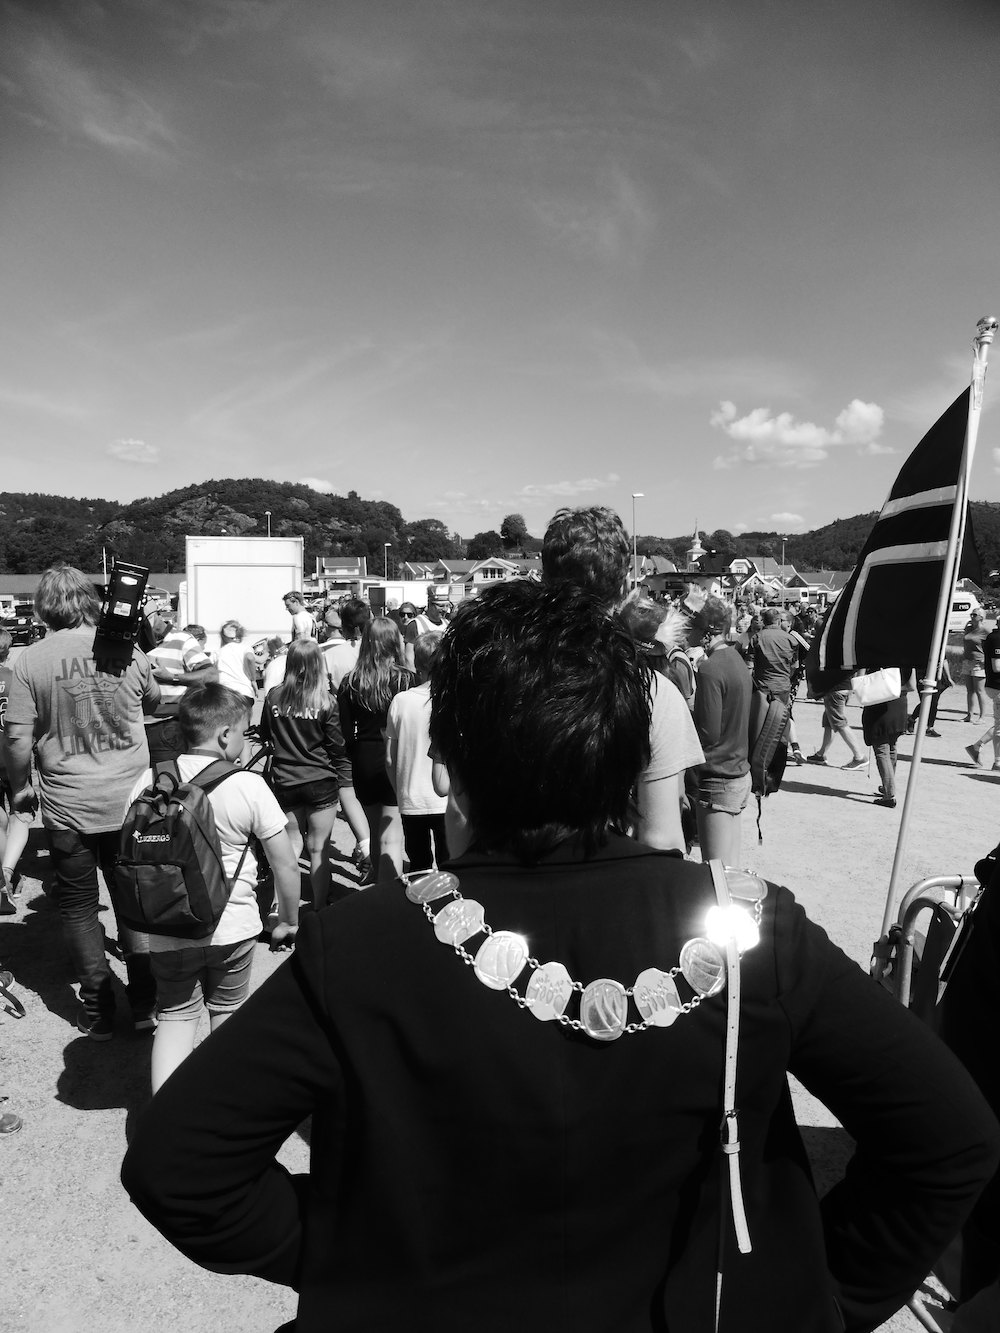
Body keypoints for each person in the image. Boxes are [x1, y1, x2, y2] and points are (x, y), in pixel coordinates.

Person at [121, 577, 1000, 1333]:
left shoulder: (364, 939)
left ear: (450, 763)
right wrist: (812, 1297)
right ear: (633, 762)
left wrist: (353, 1254)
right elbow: (948, 1136)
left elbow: (180, 1163)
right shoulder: (754, 931)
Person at [2, 566, 160, 1039]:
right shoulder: (128, 650)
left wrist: (18, 786)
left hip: (68, 801)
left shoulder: (29, 661)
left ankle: (97, 1010)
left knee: (78, 908)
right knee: (133, 903)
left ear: (46, 607)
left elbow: (16, 738)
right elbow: (151, 702)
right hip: (129, 798)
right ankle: (146, 1002)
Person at [127, 684, 300, 1092]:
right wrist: (288, 919)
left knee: (175, 1017)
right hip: (231, 925)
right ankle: (224, 1113)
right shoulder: (247, 785)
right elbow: (285, 862)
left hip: (169, 926)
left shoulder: (149, 781)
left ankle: (164, 1121)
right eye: (243, 731)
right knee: (228, 1011)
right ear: (225, 735)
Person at [541, 505, 703, 852]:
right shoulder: (653, 692)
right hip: (611, 877)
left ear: (544, 576)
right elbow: (662, 840)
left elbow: (461, 815)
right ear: (625, 586)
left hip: (509, 889)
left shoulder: (499, 675)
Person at [260, 640, 350, 911]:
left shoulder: (274, 697)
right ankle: (320, 906)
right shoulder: (325, 701)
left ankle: (280, 905)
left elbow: (265, 734)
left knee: (289, 846)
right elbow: (337, 745)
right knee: (318, 848)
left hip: (286, 779)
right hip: (320, 780)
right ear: (316, 665)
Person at [337, 618, 412, 884]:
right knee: (392, 831)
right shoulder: (405, 679)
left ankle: (380, 885)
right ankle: (390, 896)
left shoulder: (350, 681)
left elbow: (346, 730)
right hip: (396, 755)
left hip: (364, 757)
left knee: (373, 826)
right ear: (394, 641)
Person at [690, 595, 752, 865]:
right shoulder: (736, 659)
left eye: (693, 626)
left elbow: (708, 733)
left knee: (714, 873)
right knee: (730, 871)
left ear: (706, 633)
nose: (688, 631)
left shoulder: (710, 668)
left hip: (718, 776)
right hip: (738, 770)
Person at [385, 631, 448, 874]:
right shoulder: (450, 700)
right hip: (444, 800)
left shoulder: (401, 701)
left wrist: (399, 791)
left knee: (419, 867)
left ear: (417, 663)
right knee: (449, 865)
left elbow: (390, 757)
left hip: (411, 798)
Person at [146, 616, 217, 766]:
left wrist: (172, 677)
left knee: (166, 782)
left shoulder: (181, 639)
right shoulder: (128, 639)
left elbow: (211, 675)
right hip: (129, 727)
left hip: (165, 727)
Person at [750, 609, 806, 765]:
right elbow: (794, 665)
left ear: (764, 621)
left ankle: (759, 760)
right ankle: (778, 760)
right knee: (782, 722)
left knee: (761, 723)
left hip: (762, 686)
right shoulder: (790, 639)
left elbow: (749, 665)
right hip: (782, 686)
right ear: (778, 621)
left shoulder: (757, 637)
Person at [0, 628, 30, 913]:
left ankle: (2, 879)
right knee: (20, 813)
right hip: (14, 757)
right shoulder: (15, 680)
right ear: (7, 651)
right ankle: (7, 872)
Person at [860, 669, 911, 808]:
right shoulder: (906, 659)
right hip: (900, 702)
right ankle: (888, 785)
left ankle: (889, 793)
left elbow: (862, 680)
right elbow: (911, 685)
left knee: (881, 749)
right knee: (892, 746)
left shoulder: (878, 656)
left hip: (881, 703)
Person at [806, 674, 867, 770]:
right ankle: (821, 754)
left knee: (839, 722)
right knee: (829, 721)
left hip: (835, 687)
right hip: (845, 686)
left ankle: (859, 756)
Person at [966, 619, 1000, 769]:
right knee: (999, 726)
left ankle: (977, 747)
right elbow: (997, 666)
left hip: (993, 685)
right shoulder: (997, 639)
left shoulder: (993, 637)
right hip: (998, 686)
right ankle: (997, 761)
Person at [215, 620, 257, 703]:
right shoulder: (245, 648)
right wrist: (253, 680)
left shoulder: (217, 652)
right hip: (244, 693)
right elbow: (250, 658)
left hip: (225, 693)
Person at [963, 610, 988, 722]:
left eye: (975, 615)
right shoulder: (969, 629)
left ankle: (982, 716)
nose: (972, 617)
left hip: (979, 662)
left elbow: (992, 644)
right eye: (971, 614)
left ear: (981, 617)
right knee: (969, 690)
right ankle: (969, 715)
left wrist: (986, 658)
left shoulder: (985, 630)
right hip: (967, 661)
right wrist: (967, 626)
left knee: (979, 690)